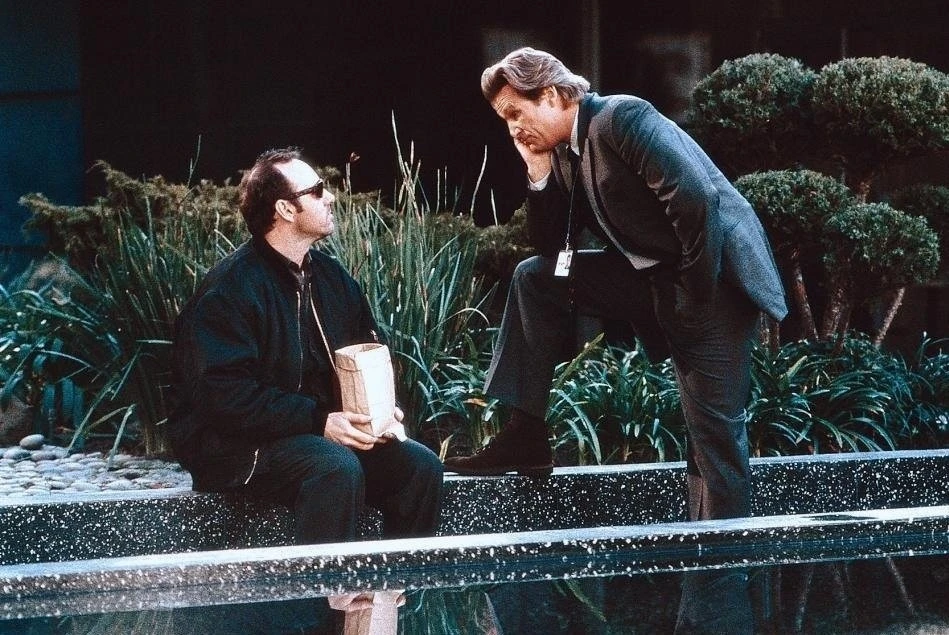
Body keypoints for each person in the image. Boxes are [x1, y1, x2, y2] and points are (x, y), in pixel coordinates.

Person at [443, 47, 787, 633]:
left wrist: (694, 298)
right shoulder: (564, 152)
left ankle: (723, 580)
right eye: (504, 119)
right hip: (656, 282)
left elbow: (696, 203)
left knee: (713, 438)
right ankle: (526, 433)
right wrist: (537, 171)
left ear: (552, 94)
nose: (512, 128)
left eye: (515, 113)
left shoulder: (622, 119)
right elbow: (552, 251)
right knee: (535, 279)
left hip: (713, 282)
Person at [169, 146, 443, 546]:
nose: (329, 197)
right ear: (284, 209)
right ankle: (324, 586)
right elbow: (223, 396)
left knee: (420, 466)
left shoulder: (331, 277)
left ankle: (402, 580)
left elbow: (364, 353)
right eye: (316, 191)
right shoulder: (229, 289)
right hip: (233, 446)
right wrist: (319, 421)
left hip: (313, 436)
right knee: (335, 467)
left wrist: (379, 412)